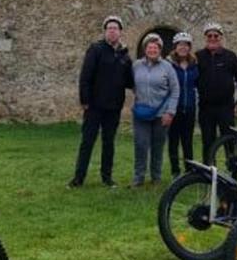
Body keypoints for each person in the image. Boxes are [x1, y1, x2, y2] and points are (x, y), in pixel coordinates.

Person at [70, 15, 133, 188]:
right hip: (94, 105)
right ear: (105, 31)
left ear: (120, 32)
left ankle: (107, 177)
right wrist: (85, 99)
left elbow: (129, 80)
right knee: (87, 142)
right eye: (109, 28)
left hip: (113, 107)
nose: (112, 31)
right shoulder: (96, 49)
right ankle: (78, 178)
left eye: (115, 28)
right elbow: (86, 75)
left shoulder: (124, 55)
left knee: (109, 142)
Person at [131, 32, 179, 186]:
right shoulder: (136, 65)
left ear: (160, 50)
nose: (152, 50)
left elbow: (175, 90)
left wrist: (170, 112)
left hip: (161, 115)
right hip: (141, 113)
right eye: (149, 47)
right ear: (145, 49)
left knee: (158, 146)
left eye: (155, 48)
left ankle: (156, 177)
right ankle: (138, 177)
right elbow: (132, 84)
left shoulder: (168, 67)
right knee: (140, 145)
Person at [195, 22, 237, 161]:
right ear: (205, 38)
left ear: (220, 37)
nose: (213, 38)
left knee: (230, 140)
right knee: (208, 142)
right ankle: (208, 173)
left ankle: (234, 172)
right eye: (209, 35)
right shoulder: (198, 57)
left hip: (226, 107)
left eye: (216, 35)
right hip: (206, 108)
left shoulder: (230, 56)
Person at [167, 31, 198, 176]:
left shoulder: (194, 65)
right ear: (175, 47)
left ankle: (189, 170)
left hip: (190, 107)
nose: (183, 47)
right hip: (174, 108)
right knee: (173, 141)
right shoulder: (169, 65)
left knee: (187, 141)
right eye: (180, 44)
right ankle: (175, 171)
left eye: (186, 45)